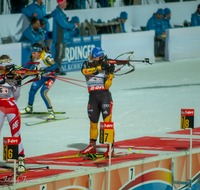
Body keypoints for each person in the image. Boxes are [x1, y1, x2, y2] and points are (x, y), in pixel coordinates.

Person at [80, 47, 115, 157]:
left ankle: (110, 147)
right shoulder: (87, 63)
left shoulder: (106, 65)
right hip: (93, 96)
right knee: (93, 123)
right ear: (95, 56)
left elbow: (107, 86)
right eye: (100, 55)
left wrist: (111, 74)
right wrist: (100, 67)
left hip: (105, 95)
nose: (102, 58)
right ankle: (92, 146)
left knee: (107, 123)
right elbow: (84, 72)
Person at [0, 55, 25, 173]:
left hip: (11, 107)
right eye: (6, 67)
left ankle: (21, 161)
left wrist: (18, 84)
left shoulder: (12, 75)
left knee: (16, 134)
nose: (8, 70)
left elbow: (16, 97)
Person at [20, 43, 59, 120]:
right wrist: (20, 71)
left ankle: (51, 111)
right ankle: (29, 108)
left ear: (39, 52)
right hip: (41, 77)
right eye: (32, 53)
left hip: (50, 77)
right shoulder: (32, 57)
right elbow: (27, 67)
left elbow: (55, 66)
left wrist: (44, 70)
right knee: (32, 91)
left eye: (34, 53)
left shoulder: (46, 57)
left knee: (43, 92)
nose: (33, 54)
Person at [51, 0, 79, 75]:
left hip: (62, 37)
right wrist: (74, 25)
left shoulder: (60, 12)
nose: (66, 4)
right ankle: (56, 70)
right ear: (61, 3)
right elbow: (64, 24)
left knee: (61, 54)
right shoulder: (58, 13)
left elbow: (64, 24)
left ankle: (58, 69)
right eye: (65, 2)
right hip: (59, 37)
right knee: (59, 54)